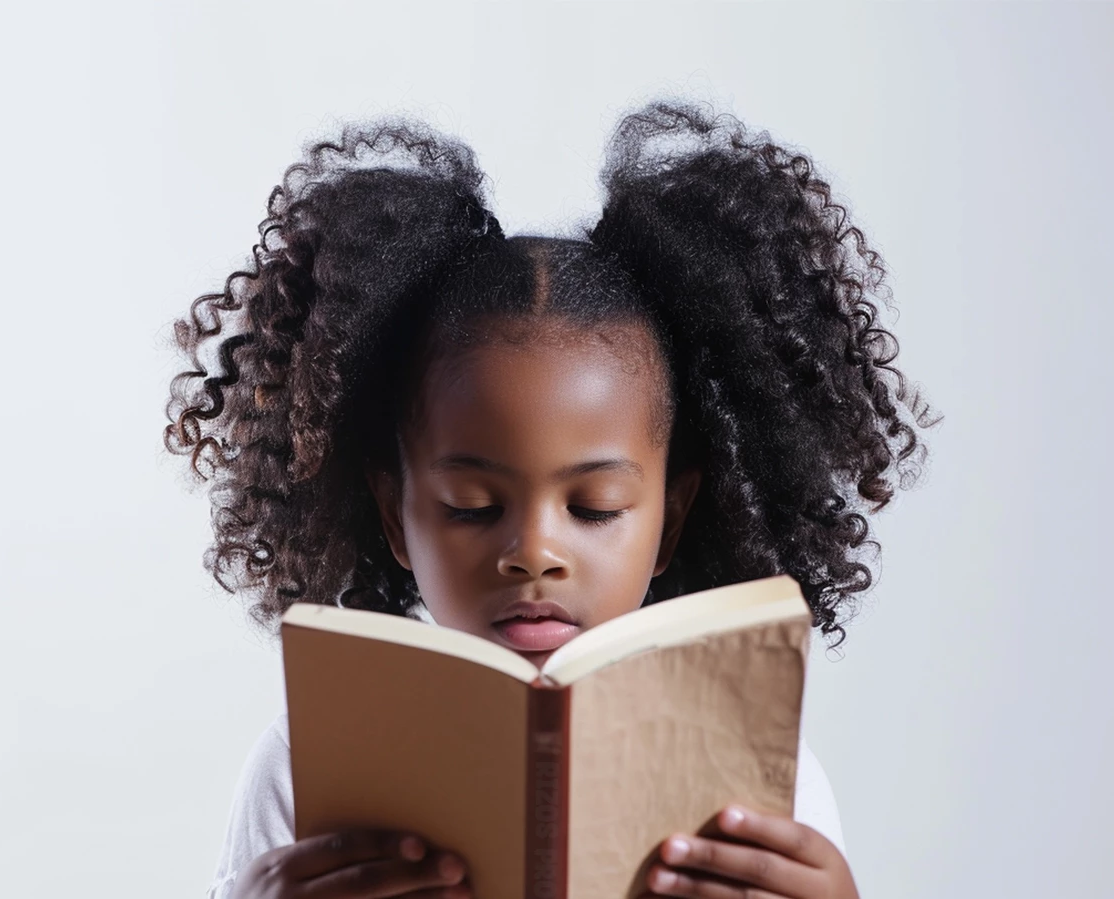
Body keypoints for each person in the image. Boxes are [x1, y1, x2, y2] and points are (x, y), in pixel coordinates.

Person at [164, 99, 936, 899]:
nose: (533, 551)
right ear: (395, 516)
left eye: (595, 506)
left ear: (670, 521)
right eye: (470, 504)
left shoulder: (758, 776)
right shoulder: (309, 767)